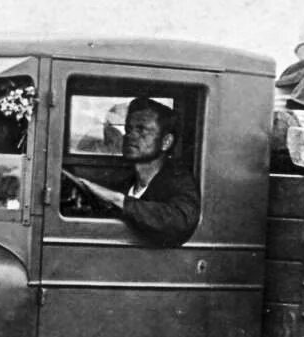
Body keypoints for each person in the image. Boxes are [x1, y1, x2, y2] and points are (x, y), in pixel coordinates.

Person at [62, 97, 200, 247]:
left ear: (166, 142)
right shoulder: (128, 181)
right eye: (128, 129)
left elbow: (180, 221)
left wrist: (116, 199)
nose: (129, 136)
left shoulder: (179, 180)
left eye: (142, 130)